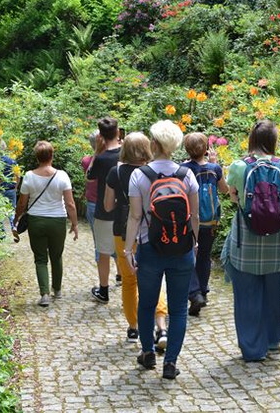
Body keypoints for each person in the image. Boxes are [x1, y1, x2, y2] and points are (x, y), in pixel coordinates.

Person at [125, 120, 199, 380]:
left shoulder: (139, 175)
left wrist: (127, 249)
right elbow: (194, 216)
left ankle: (147, 353)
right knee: (178, 309)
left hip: (150, 248)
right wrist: (195, 243)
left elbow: (134, 217)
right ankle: (170, 363)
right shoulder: (186, 175)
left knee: (146, 304)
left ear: (154, 144)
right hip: (181, 249)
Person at [221, 119, 280, 362]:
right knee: (274, 292)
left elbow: (234, 198)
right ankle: (273, 341)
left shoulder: (239, 166)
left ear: (252, 140)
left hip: (246, 239)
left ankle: (253, 349)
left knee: (247, 293)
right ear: (272, 141)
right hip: (277, 241)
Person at [102, 132, 169, 344]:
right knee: (154, 277)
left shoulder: (116, 172)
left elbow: (107, 206)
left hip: (122, 231)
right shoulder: (152, 170)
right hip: (152, 230)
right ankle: (161, 326)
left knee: (129, 281)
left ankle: (133, 327)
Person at [13, 141, 79, 307]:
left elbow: (22, 204)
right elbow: (70, 203)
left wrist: (16, 219)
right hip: (57, 220)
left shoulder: (29, 176)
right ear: (52, 156)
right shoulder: (62, 175)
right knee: (56, 256)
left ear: (37, 157)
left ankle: (44, 295)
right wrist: (75, 223)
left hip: (36, 221)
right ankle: (57, 290)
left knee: (40, 259)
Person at [181, 132, 231, 316]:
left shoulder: (183, 169)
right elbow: (224, 190)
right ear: (206, 149)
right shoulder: (214, 169)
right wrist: (216, 164)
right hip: (210, 220)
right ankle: (202, 291)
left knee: (187, 256)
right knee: (204, 256)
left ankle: (194, 294)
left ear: (186, 149)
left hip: (189, 219)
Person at [88, 116, 122, 303]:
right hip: (125, 210)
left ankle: (104, 290)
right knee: (126, 250)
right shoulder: (126, 154)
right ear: (117, 132)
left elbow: (90, 176)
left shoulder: (100, 159)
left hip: (104, 211)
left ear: (100, 135)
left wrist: (96, 152)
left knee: (103, 252)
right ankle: (129, 284)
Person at [0, 142, 20, 231]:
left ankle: (1, 233)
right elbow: (18, 175)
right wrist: (16, 187)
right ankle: (13, 226)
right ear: (5, 148)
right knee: (11, 210)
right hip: (11, 189)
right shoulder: (12, 161)